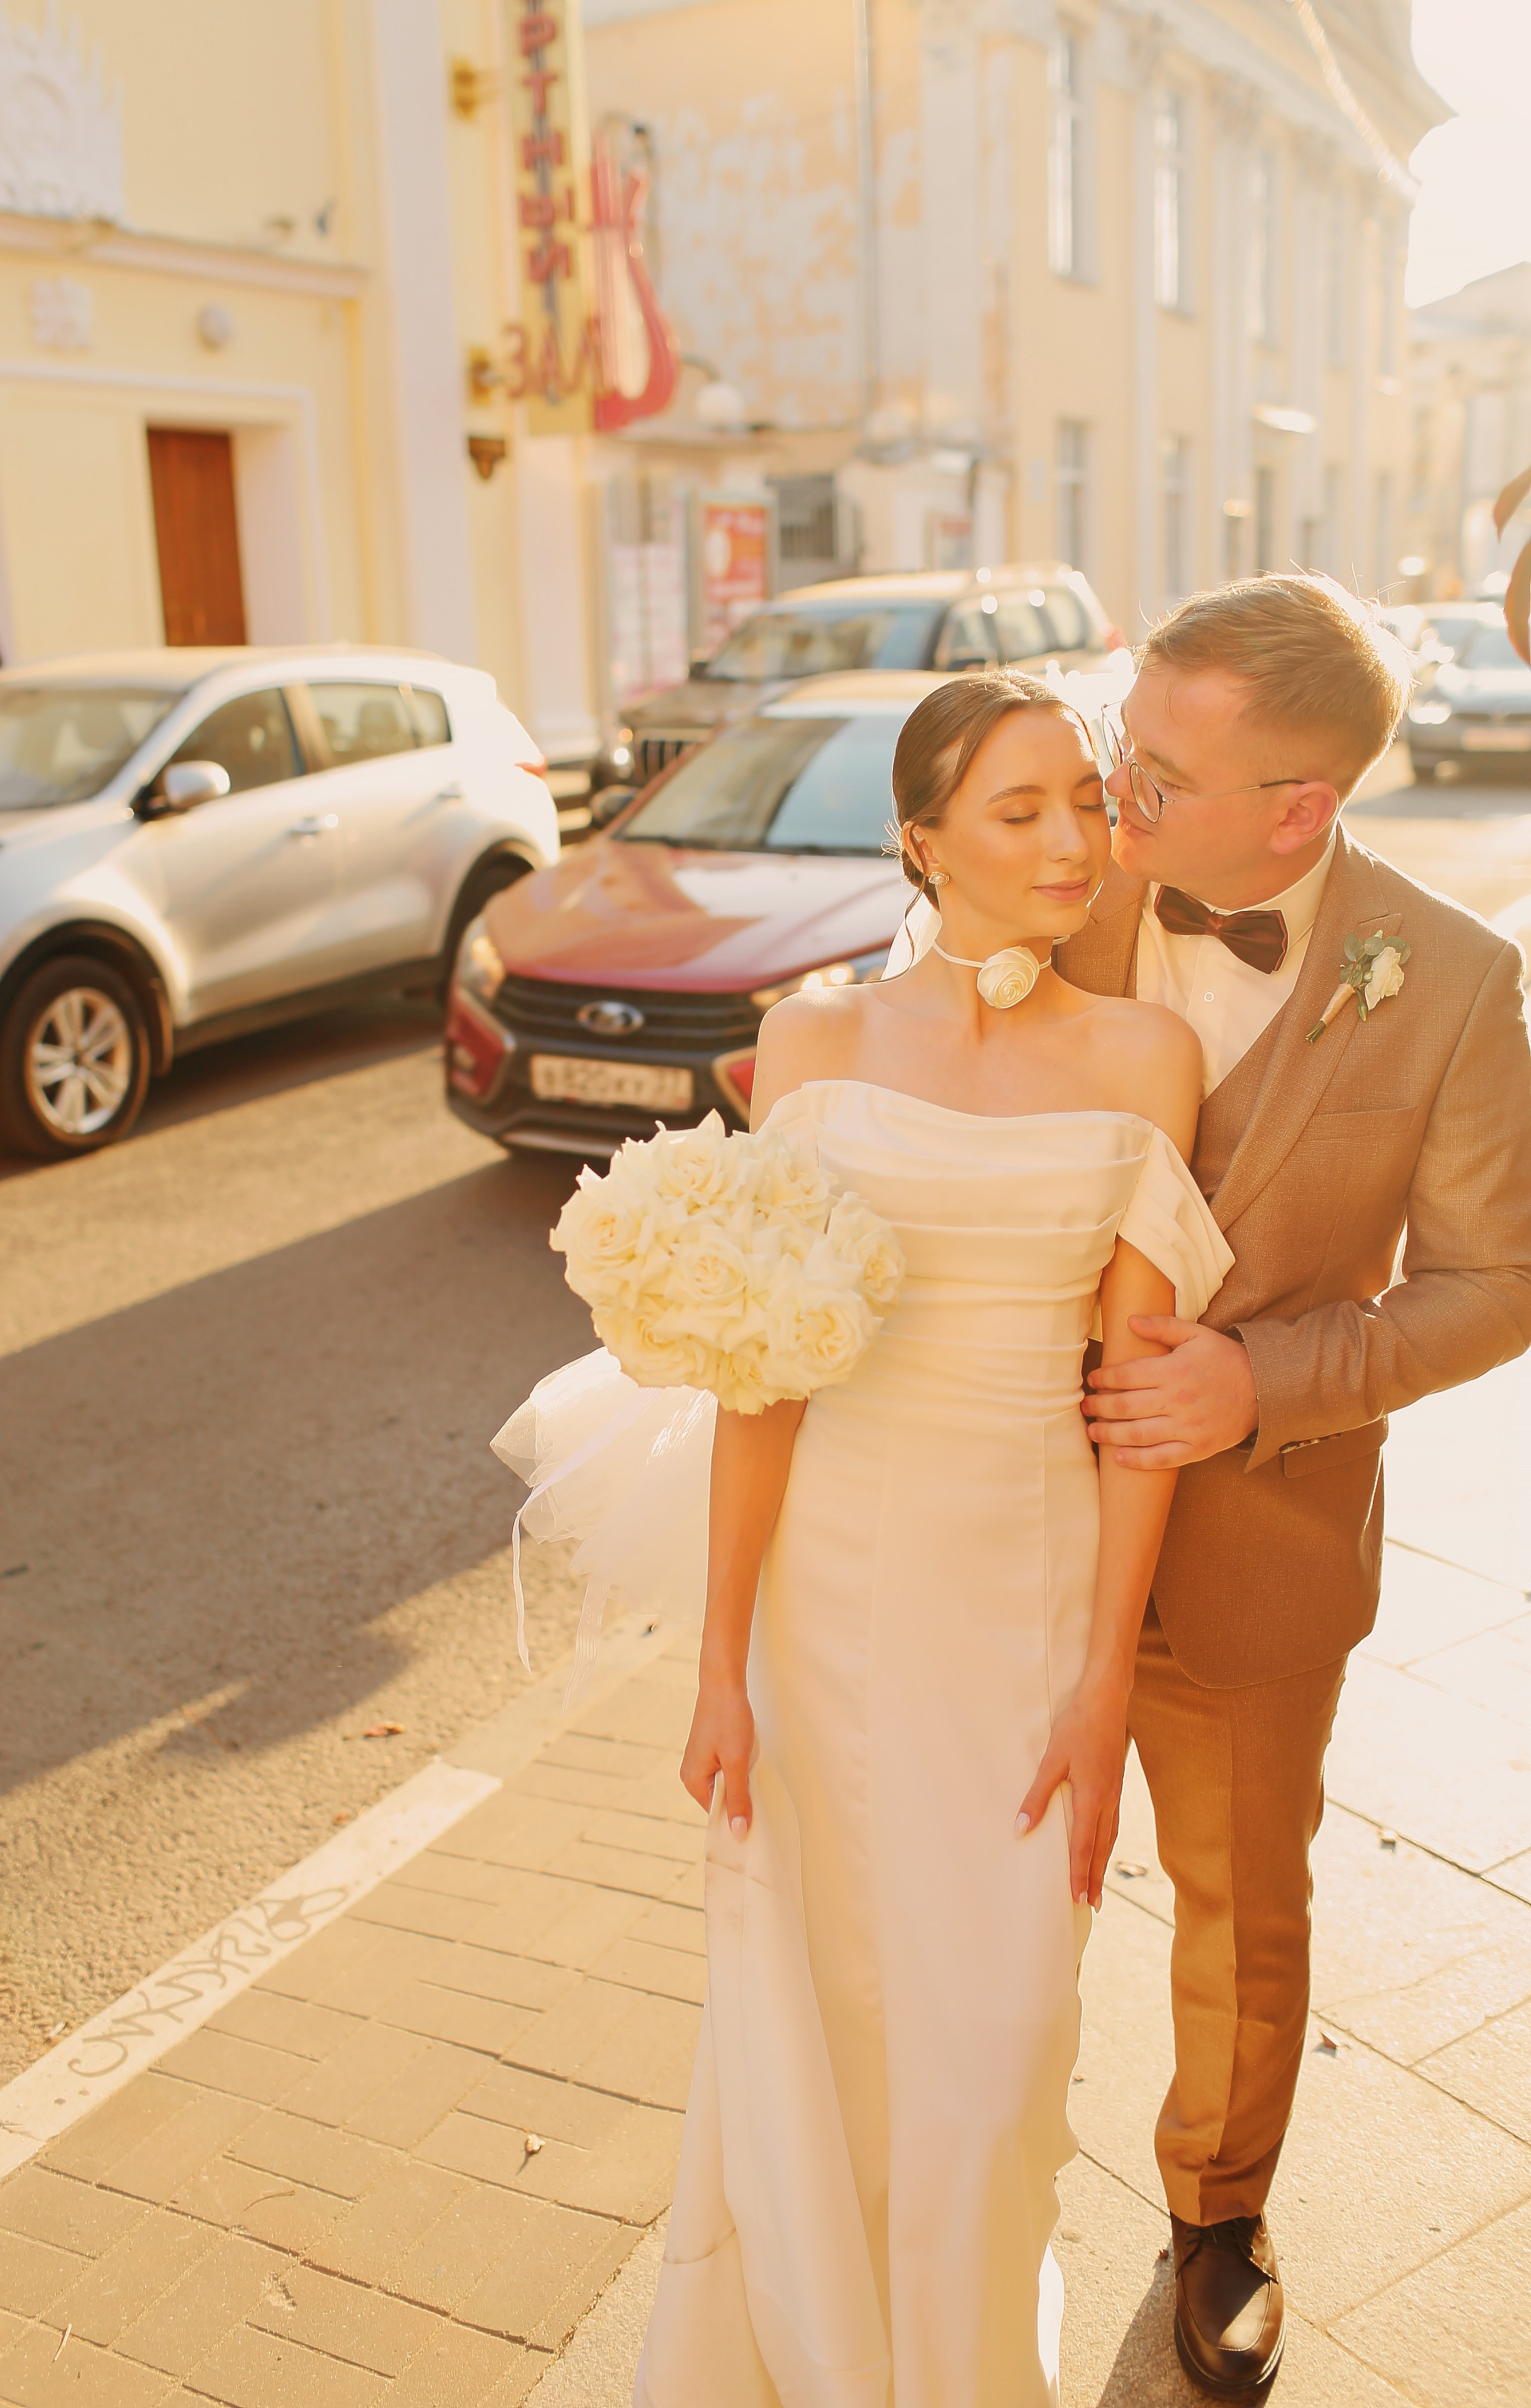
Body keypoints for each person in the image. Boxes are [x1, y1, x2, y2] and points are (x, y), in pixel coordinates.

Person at [502, 673, 1234, 2402]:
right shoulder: (818, 1040)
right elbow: (765, 1371)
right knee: (822, 2010)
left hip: (1028, 1586)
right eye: (1020, 809)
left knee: (995, 2055)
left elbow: (1136, 1401)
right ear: (923, 845)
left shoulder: (1148, 1054)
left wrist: (1104, 1682)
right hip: (821, 1606)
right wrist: (723, 1664)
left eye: (1084, 800)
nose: (1073, 839)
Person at [1051, 575, 1531, 2394]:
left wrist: (1264, 1379)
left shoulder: (1460, 978)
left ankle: (1217, 2214)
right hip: (997, 1536)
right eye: (1122, 741)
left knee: (1246, 1908)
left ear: (1301, 808)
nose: (1117, 794)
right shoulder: (1057, 889)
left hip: (1262, 1550)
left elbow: (1503, 1283)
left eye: (1160, 772)